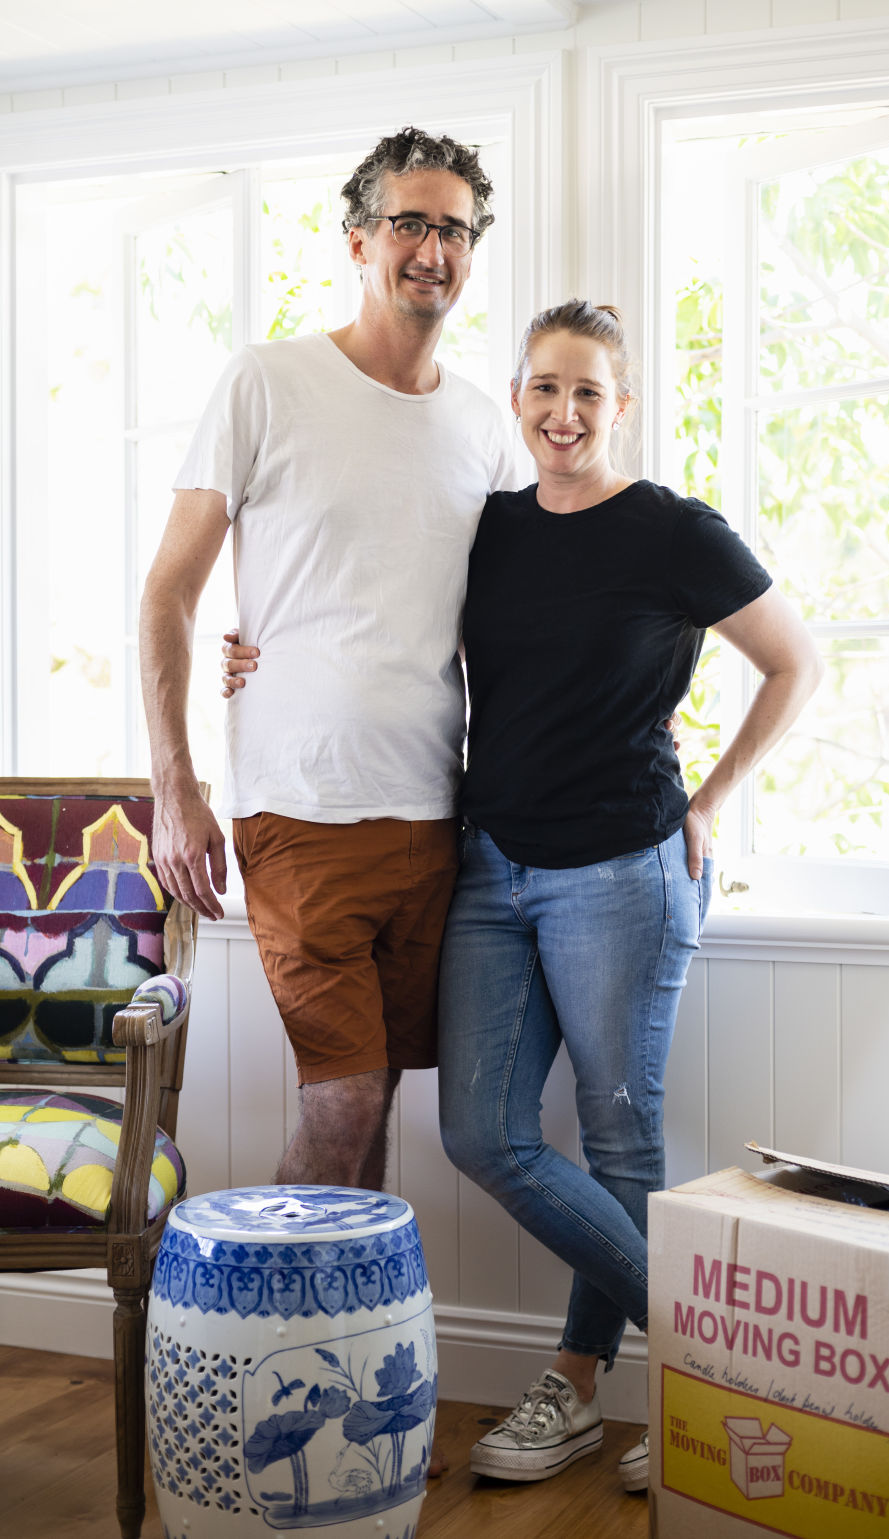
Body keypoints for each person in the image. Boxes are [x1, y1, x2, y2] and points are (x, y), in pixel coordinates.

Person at [432, 300, 822, 1493]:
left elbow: (795, 660)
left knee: (615, 1139)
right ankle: (725, 1371)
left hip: (623, 871)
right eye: (544, 389)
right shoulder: (487, 530)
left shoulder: (669, 531)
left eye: (588, 394)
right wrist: (254, 650)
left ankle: (586, 1387)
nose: (563, 414)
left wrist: (709, 802)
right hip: (493, 868)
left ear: (622, 405)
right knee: (483, 1132)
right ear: (516, 398)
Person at [139, 126, 516, 1197]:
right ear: (358, 240)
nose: (432, 249)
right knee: (341, 1098)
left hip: (436, 817)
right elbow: (169, 591)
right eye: (410, 223)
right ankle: (261, 1355)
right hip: (299, 809)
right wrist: (177, 788)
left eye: (454, 228)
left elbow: (506, 622)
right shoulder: (267, 382)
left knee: (381, 1092)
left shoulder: (486, 432)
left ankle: (350, 1360)